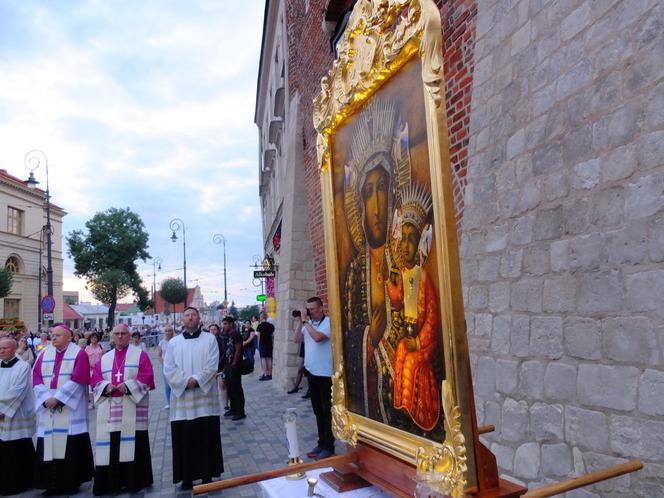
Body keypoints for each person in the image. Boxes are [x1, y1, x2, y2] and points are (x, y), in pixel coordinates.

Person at [387, 183, 441, 431]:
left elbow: (431, 317)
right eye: (404, 239)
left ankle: (419, 413)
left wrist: (419, 343)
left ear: (420, 243)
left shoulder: (422, 276)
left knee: (411, 363)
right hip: (407, 336)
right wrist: (391, 284)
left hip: (421, 340)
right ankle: (403, 410)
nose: (407, 245)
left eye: (412, 240)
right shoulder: (406, 272)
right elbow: (399, 302)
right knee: (399, 354)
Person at [91, 323, 155, 495]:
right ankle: (112, 483)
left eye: (123, 333)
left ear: (129, 335)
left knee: (134, 443)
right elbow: (95, 378)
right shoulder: (105, 358)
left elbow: (147, 376)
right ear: (112, 336)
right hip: (110, 408)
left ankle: (135, 481)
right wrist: (107, 386)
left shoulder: (140, 355)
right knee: (112, 444)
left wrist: (126, 386)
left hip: (132, 407)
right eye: (117, 333)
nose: (120, 336)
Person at [164, 307, 223, 490]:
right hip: (182, 403)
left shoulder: (210, 339)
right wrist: (184, 382)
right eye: (187, 315)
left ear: (199, 318)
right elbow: (169, 369)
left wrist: (196, 380)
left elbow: (213, 364)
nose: (190, 318)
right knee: (185, 438)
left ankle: (207, 475)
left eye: (193, 315)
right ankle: (186, 477)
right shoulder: (173, 343)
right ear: (182, 319)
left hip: (205, 400)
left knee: (206, 436)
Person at [33, 324, 94, 495]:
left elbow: (79, 377)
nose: (53, 338)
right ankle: (49, 484)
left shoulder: (79, 353)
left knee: (69, 446)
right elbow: (36, 377)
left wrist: (58, 398)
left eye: (58, 335)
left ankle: (70, 482)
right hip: (48, 407)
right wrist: (46, 398)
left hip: (69, 409)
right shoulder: (44, 353)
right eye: (52, 335)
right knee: (48, 443)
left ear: (68, 337)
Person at [294, 297, 334, 460]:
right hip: (312, 374)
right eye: (308, 308)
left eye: (313, 308)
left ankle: (329, 446)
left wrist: (305, 322)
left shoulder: (328, 323)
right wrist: (299, 322)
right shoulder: (308, 325)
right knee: (318, 412)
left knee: (327, 412)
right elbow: (297, 339)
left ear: (321, 307)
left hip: (325, 375)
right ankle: (321, 443)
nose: (310, 311)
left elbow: (318, 338)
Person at [0, 337, 36, 496]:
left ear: (14, 349)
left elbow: (18, 391)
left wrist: (1, 409)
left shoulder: (23, 367)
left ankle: (19, 483)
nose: (1, 351)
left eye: (5, 348)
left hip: (15, 415)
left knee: (16, 450)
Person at [222, 316, 245, 420]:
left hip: (234, 366)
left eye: (226, 324)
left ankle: (240, 412)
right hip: (228, 365)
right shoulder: (227, 334)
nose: (224, 326)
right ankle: (233, 409)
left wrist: (234, 363)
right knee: (230, 388)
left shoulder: (236, 334)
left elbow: (238, 349)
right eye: (223, 324)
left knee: (236, 389)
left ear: (231, 324)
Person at [157, 325, 174, 410]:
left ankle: (176, 401)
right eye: (166, 331)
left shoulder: (175, 341)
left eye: (169, 331)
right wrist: (164, 363)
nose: (167, 332)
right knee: (167, 385)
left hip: (174, 366)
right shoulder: (161, 342)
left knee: (174, 383)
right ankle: (169, 402)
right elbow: (159, 355)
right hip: (165, 366)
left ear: (172, 332)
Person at [257, 312, 274, 381]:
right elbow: (273, 335)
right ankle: (270, 374)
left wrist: (258, 345)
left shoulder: (259, 326)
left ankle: (265, 374)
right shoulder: (271, 326)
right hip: (269, 343)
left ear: (261, 317)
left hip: (262, 344)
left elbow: (259, 337)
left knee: (263, 358)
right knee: (269, 358)